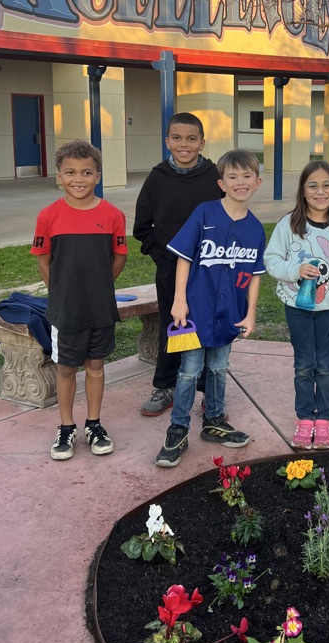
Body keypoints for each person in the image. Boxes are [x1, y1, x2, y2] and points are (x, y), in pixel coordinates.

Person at [155, 150, 265, 468]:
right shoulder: (205, 213)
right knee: (189, 371)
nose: (240, 182)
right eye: (232, 176)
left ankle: (214, 421)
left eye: (247, 176)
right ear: (221, 182)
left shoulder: (256, 229)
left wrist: (251, 313)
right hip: (196, 311)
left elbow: (255, 277)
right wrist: (179, 300)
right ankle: (178, 429)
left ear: (257, 182)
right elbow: (184, 258)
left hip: (230, 314)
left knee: (218, 368)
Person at [31, 140, 127, 460]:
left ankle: (94, 424)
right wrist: (61, 291)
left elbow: (119, 258)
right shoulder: (48, 216)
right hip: (66, 309)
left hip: (100, 307)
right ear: (59, 176)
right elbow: (43, 259)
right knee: (67, 368)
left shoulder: (113, 215)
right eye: (70, 172)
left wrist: (98, 287)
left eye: (87, 172)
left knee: (96, 366)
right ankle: (67, 427)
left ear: (98, 175)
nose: (79, 179)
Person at [133, 112, 223, 417]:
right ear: (167, 141)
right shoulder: (157, 178)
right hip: (171, 270)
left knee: (208, 328)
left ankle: (208, 390)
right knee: (174, 326)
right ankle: (166, 386)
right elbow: (142, 227)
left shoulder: (215, 178)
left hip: (210, 271)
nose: (184, 144)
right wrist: (161, 258)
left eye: (191, 138)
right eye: (177, 138)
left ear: (202, 142)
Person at [264, 161, 329, 450]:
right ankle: (305, 418)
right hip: (298, 307)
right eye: (312, 185)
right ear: (303, 191)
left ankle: (324, 419)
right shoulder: (289, 225)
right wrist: (296, 269)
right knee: (304, 365)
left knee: (326, 366)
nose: (320, 191)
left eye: (327, 185)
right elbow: (272, 260)